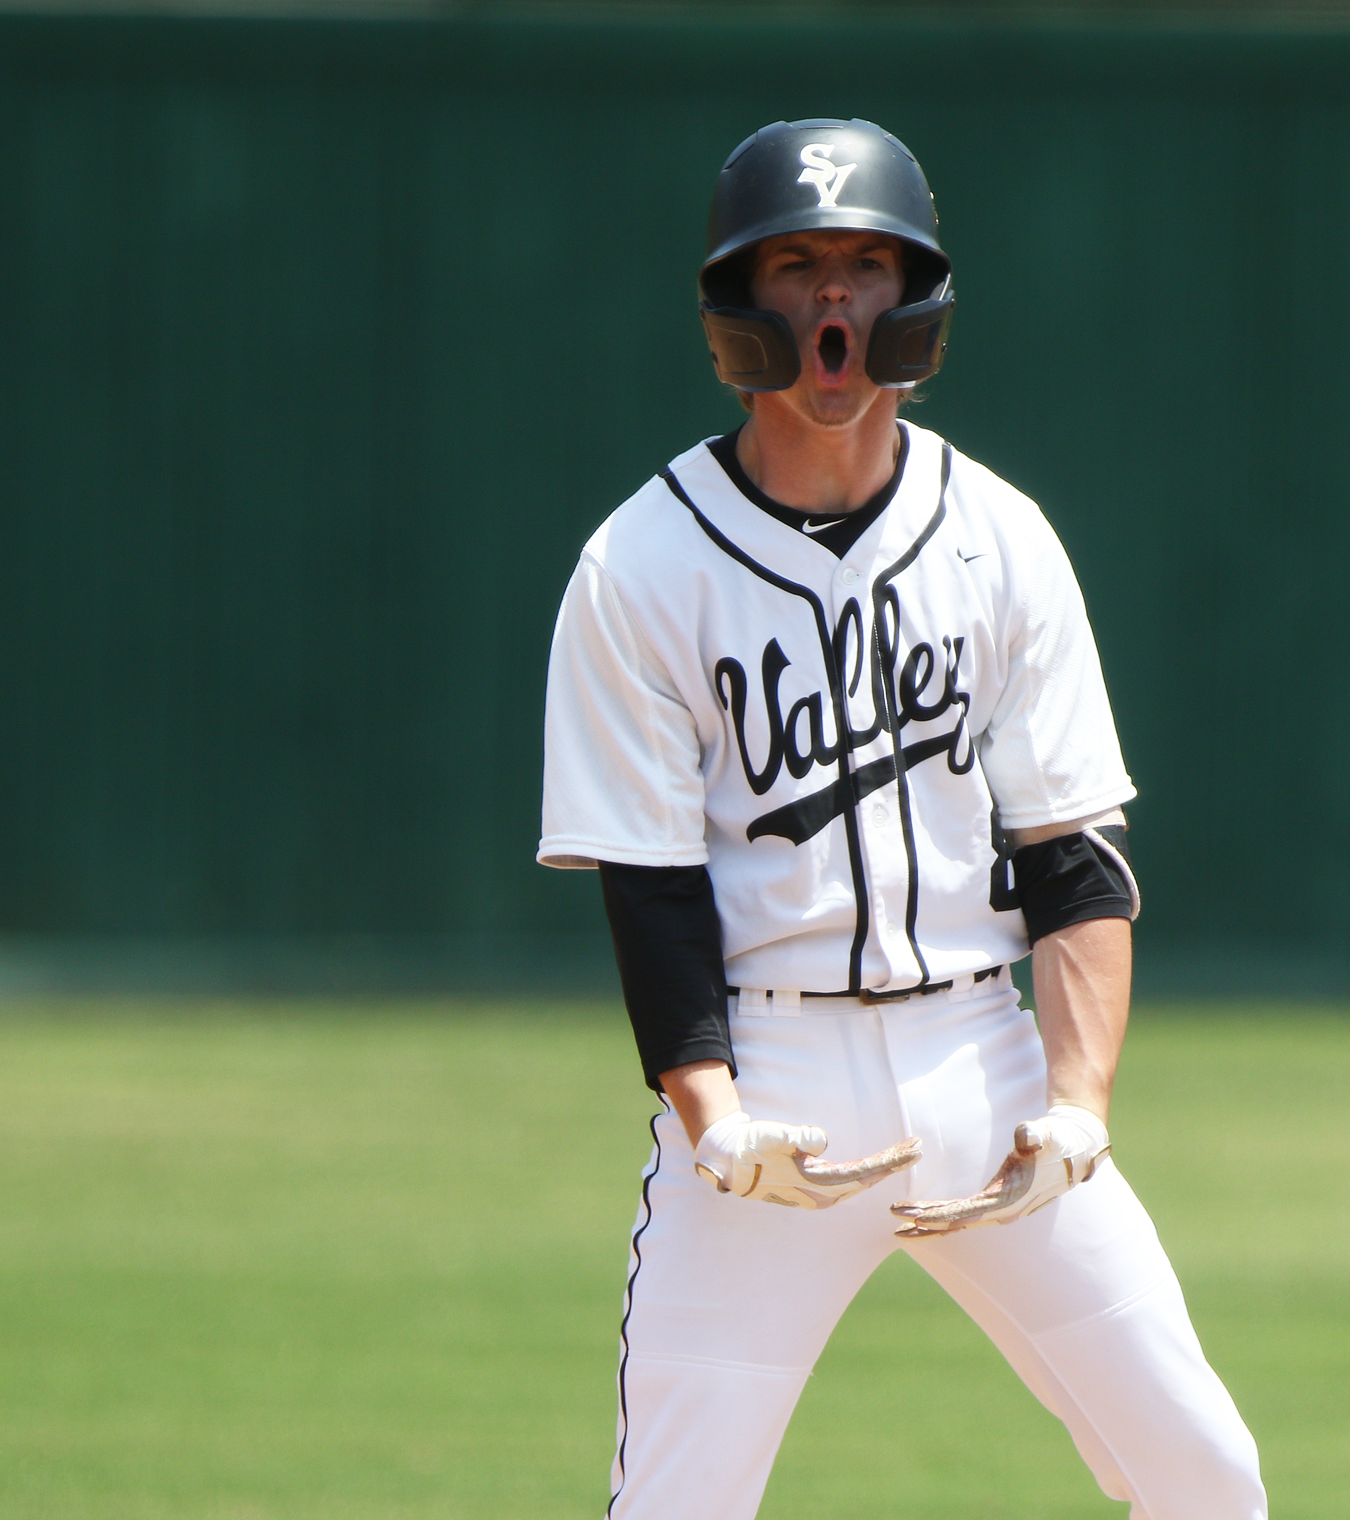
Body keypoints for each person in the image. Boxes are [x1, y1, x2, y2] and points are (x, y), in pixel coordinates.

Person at [539, 117, 1266, 1520]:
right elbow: (651, 885)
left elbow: (1073, 853)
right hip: (769, 1074)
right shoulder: (641, 563)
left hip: (980, 1064)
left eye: (866, 264)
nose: (833, 299)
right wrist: (715, 1121)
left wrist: (1077, 1107)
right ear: (737, 300)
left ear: (917, 294)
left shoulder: (999, 535)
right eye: (796, 263)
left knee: (1207, 1475)